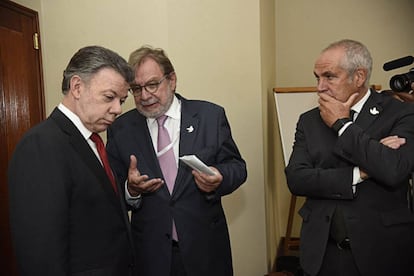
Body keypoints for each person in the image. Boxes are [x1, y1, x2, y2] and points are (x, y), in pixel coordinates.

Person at [106, 45, 247, 276]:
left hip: (205, 250)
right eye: (136, 89)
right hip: (150, 255)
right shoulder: (121, 129)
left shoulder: (210, 116)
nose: (145, 95)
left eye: (152, 84)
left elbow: (238, 168)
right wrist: (131, 190)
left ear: (171, 80)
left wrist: (219, 178)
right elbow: (112, 193)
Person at [285, 39, 414, 276]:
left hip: (381, 252)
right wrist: (361, 172)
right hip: (322, 254)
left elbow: (394, 169)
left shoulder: (402, 113)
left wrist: (342, 125)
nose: (320, 87)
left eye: (329, 76)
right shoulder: (309, 120)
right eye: (317, 77)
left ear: (359, 77)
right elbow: (297, 179)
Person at [8, 46, 136, 275]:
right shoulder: (41, 145)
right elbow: (41, 254)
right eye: (109, 97)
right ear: (77, 87)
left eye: (122, 100)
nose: (117, 109)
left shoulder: (94, 141)